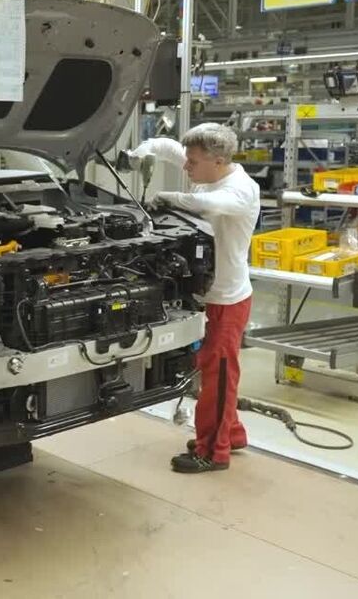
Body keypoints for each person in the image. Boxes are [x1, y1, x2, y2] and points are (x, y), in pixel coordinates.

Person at [128, 123, 260, 474]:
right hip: (209, 293)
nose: (186, 166)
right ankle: (231, 434)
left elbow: (206, 203)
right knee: (216, 370)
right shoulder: (208, 170)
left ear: (218, 161)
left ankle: (212, 453)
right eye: (188, 160)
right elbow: (169, 148)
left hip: (227, 300)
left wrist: (169, 197)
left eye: (194, 162)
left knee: (217, 376)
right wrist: (144, 151)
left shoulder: (240, 190)